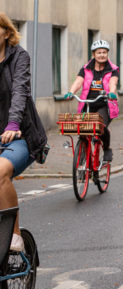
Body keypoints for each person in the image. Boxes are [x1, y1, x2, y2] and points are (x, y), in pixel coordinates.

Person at [0, 12, 47, 251]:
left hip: (20, 136)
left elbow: (20, 92)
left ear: (7, 33)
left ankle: (14, 234)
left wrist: (13, 125)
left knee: (0, 172)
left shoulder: (19, 57)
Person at [65, 39, 119, 162]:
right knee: (83, 131)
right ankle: (82, 162)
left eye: (104, 52)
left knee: (101, 127)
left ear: (107, 54)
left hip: (104, 104)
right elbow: (79, 81)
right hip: (88, 104)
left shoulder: (113, 69)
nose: (102, 55)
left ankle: (106, 149)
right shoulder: (86, 68)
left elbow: (113, 82)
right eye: (99, 52)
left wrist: (111, 93)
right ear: (93, 54)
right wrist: (71, 92)